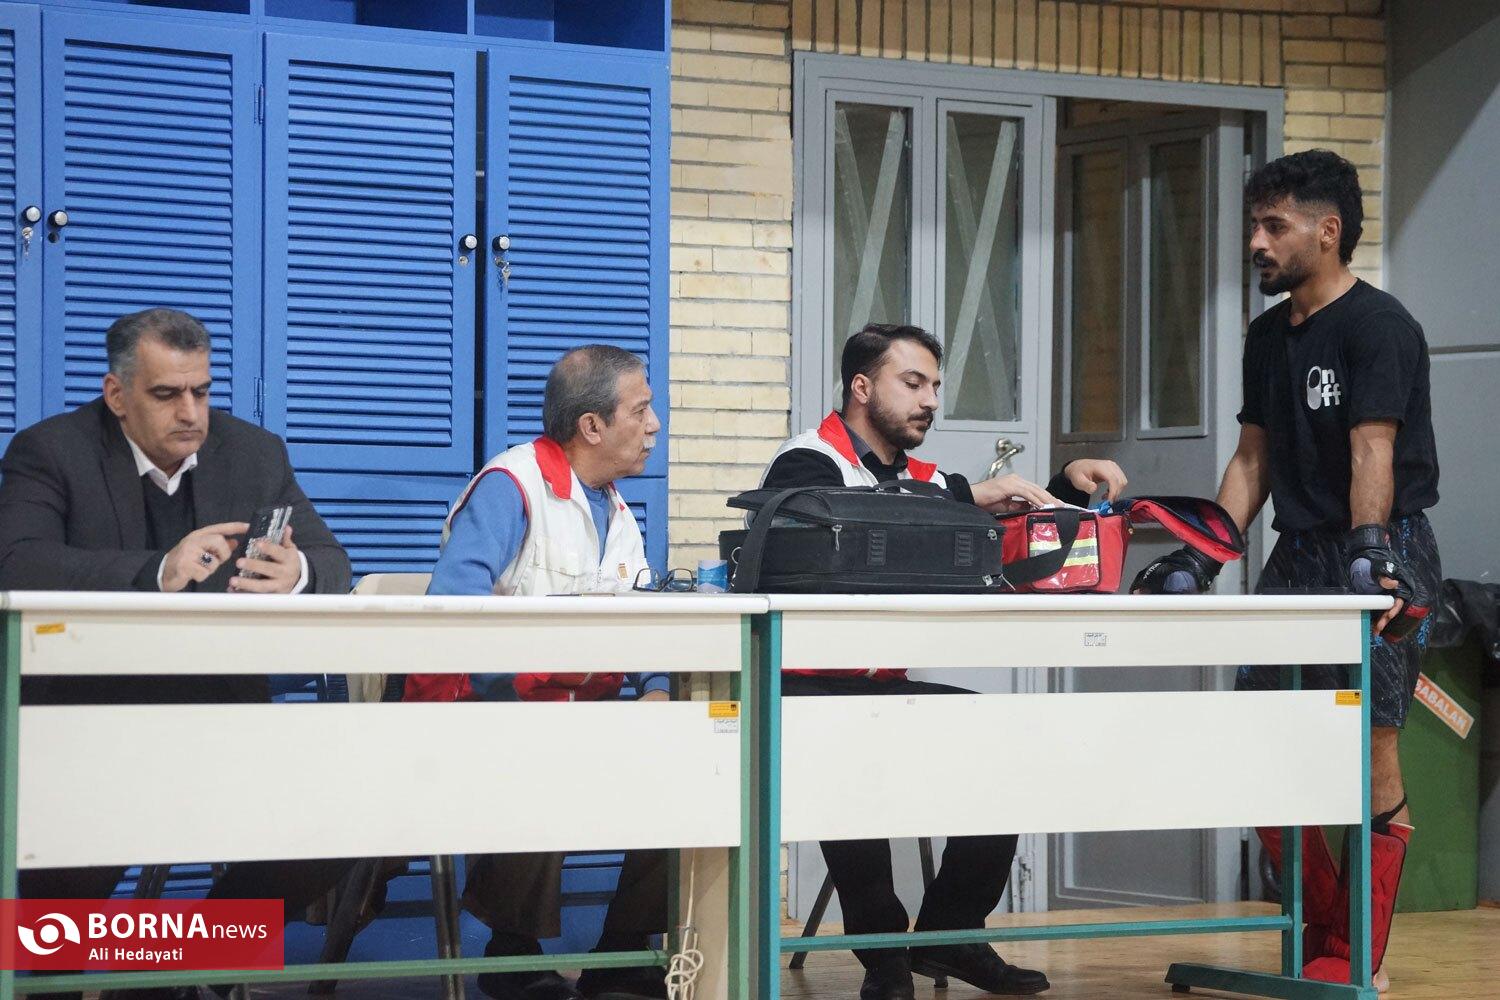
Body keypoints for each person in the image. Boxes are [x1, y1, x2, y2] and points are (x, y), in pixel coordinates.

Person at [1133, 149, 1440, 991]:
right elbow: (1252, 459)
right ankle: (1319, 933)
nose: (1257, 243)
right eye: (1254, 226)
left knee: (1372, 747)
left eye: (1275, 226)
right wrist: (1204, 550)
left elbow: (1372, 449)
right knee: (1262, 740)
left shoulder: (1380, 326)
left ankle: (1356, 954)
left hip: (1382, 547)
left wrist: (1371, 550)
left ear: (1328, 230)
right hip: (1298, 556)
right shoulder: (1268, 336)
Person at [761, 322, 1128, 1000]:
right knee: (848, 756)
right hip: (801, 687)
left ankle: (950, 933)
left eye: (935, 385)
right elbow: (862, 518)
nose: (930, 400)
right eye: (913, 383)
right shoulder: (806, 461)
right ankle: (882, 954)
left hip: (880, 688)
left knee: (1003, 737)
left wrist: (1063, 487)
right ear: (861, 387)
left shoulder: (924, 479)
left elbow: (998, 530)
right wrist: (965, 496)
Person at [0, 307, 354, 1000]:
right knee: (67, 869)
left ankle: (177, 967)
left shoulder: (253, 453)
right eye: (166, 395)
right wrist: (159, 569)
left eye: (201, 390)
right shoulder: (51, 451)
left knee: (338, 822)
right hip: (87, 718)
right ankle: (60, 979)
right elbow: (17, 562)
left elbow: (332, 560)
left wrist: (299, 573)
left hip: (220, 716)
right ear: (116, 395)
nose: (191, 413)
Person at [404, 345, 669, 1000]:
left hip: (573, 715)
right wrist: (525, 687)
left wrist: (657, 689)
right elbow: (454, 609)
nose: (655, 424)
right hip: (480, 714)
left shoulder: (617, 512)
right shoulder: (512, 486)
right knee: (548, 748)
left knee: (695, 761)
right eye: (641, 409)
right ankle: (513, 951)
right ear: (592, 426)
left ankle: (624, 952)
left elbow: (643, 620)